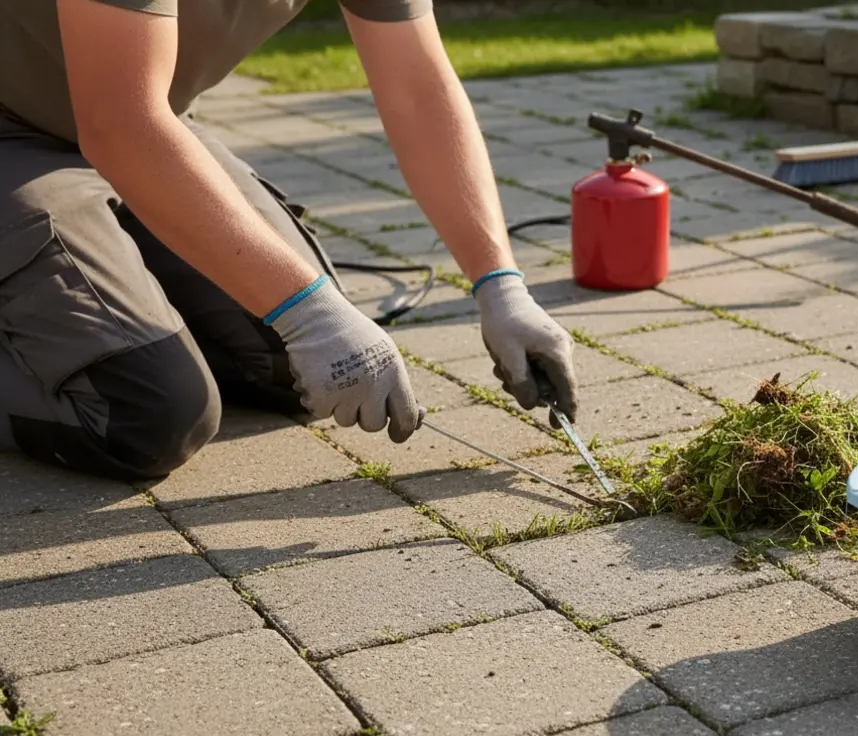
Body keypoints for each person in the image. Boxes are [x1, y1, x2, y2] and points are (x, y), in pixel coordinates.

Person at [0, 0, 579, 481]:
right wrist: (311, 311)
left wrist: (500, 286)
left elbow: (417, 88)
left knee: (290, 366)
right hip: (32, 132)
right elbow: (119, 123)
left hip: (151, 125)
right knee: (146, 412)